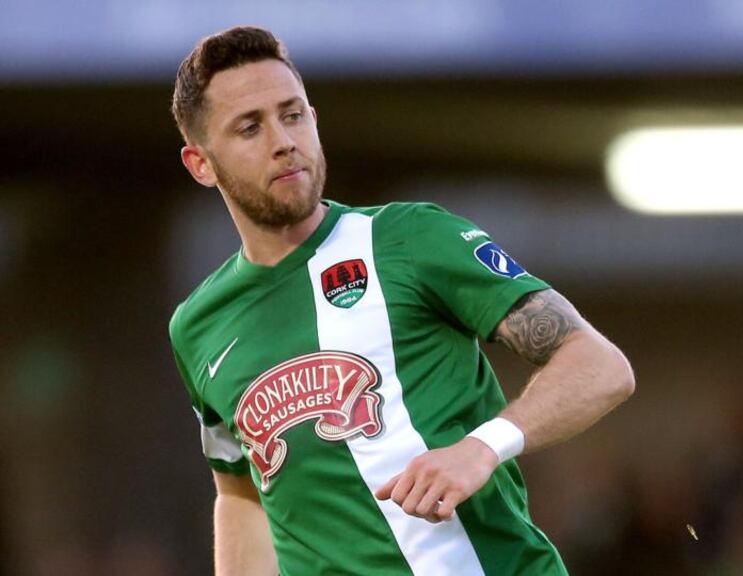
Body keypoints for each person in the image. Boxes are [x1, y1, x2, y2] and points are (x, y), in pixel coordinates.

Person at [168, 26, 634, 576]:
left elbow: (602, 366)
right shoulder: (198, 327)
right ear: (201, 164)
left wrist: (481, 447)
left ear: (314, 120)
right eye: (250, 127)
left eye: (292, 115)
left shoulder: (409, 239)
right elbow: (241, 495)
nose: (282, 140)